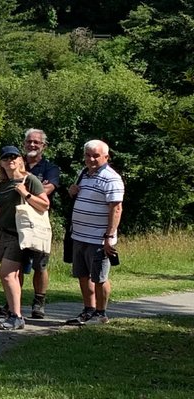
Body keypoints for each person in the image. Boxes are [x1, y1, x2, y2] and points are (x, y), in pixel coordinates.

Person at [0, 146, 50, 331]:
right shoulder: (2, 184)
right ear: (1, 162)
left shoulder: (30, 180)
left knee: (6, 274)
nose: (10, 160)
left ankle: (17, 316)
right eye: (6, 158)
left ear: (20, 159)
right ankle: (13, 313)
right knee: (11, 275)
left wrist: (25, 193)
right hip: (4, 234)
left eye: (14, 157)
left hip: (21, 235)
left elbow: (45, 204)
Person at [65, 139, 125, 327]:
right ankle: (88, 310)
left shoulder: (111, 177)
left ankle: (101, 313)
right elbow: (79, 197)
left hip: (99, 238)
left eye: (96, 156)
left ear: (106, 157)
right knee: (83, 275)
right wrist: (72, 192)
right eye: (88, 155)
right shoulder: (83, 173)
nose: (91, 159)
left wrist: (109, 237)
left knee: (99, 277)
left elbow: (116, 209)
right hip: (79, 235)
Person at [21, 128, 61, 318]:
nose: (32, 145)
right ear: (24, 143)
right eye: (29, 141)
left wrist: (23, 189)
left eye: (37, 142)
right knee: (15, 264)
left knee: (40, 265)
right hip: (16, 222)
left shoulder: (51, 168)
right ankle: (12, 302)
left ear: (43, 146)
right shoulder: (16, 162)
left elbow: (47, 190)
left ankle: (39, 302)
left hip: (39, 223)